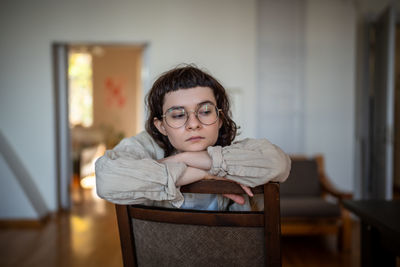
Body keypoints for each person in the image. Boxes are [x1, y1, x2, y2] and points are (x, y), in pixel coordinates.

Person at [95, 65, 291, 211]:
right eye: (178, 115)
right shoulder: (143, 146)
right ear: (161, 125)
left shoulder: (238, 153)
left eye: (205, 111)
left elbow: (279, 164)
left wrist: (182, 159)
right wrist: (206, 173)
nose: (193, 123)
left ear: (220, 119)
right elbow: (107, 179)